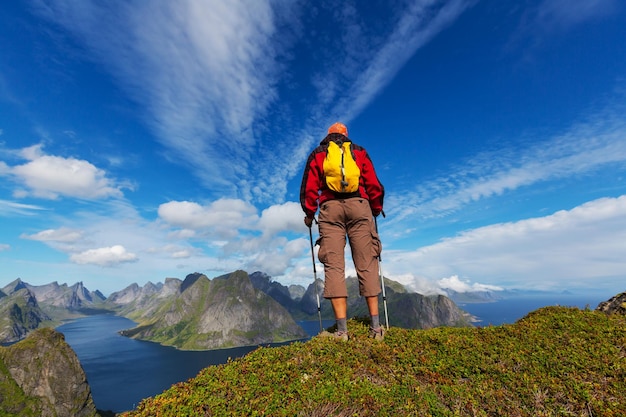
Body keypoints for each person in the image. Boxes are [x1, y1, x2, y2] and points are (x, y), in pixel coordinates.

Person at [300, 122, 385, 340]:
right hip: (360, 206)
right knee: (366, 261)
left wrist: (309, 214)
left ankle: (341, 331)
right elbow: (373, 183)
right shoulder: (358, 152)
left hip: (331, 209)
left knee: (334, 265)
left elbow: (309, 187)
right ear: (346, 136)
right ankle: (376, 328)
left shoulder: (319, 154)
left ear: (327, 137)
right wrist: (375, 208)